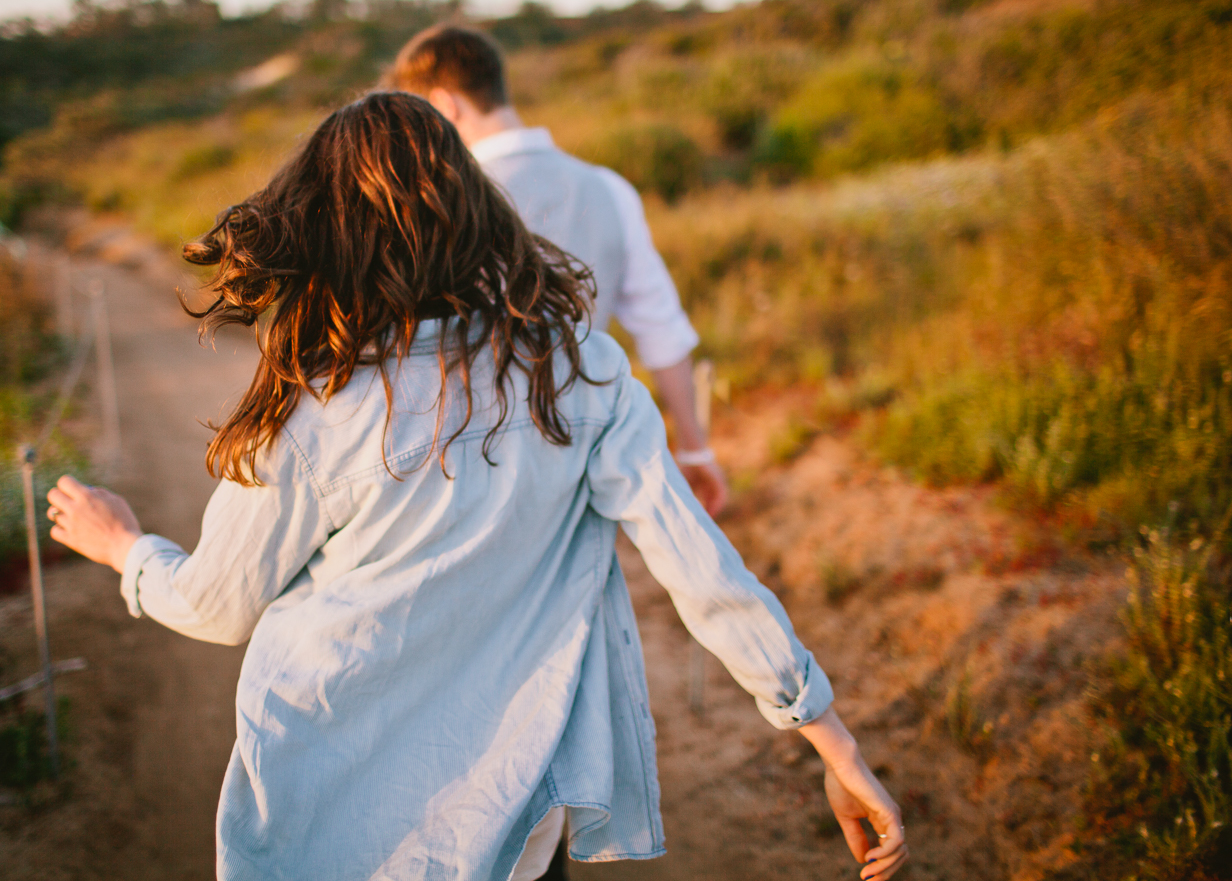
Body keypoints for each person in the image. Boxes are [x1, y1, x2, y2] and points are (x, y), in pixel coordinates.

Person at [46, 93, 907, 881]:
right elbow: (703, 571)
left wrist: (123, 546)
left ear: (324, 228)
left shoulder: (316, 410)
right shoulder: (582, 374)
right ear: (471, 210)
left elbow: (215, 607)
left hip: (329, 830)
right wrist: (834, 746)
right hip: (511, 831)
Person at [385, 25, 728, 517]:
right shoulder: (609, 189)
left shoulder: (438, 202)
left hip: (469, 472)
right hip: (583, 459)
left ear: (444, 104)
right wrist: (694, 449)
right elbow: (662, 330)